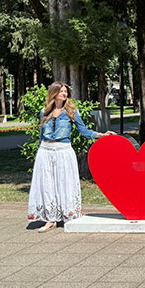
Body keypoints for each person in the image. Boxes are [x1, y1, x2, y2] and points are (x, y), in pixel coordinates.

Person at [27, 82, 115, 232]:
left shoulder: (71, 112)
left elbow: (84, 131)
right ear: (53, 93)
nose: (64, 94)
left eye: (65, 91)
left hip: (63, 150)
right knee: (47, 185)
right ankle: (50, 219)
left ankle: (67, 214)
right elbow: (42, 135)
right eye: (61, 91)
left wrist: (101, 135)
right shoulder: (44, 112)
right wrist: (41, 152)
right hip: (45, 151)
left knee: (64, 183)